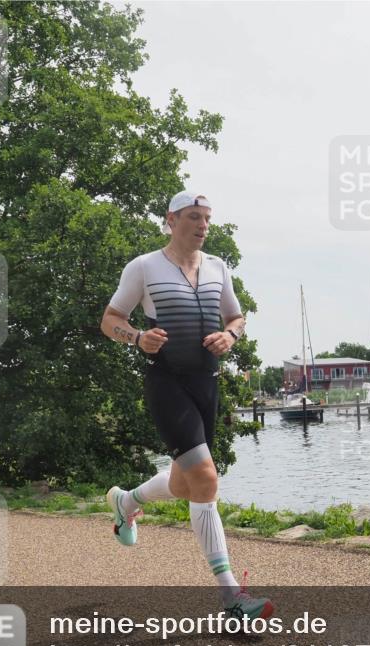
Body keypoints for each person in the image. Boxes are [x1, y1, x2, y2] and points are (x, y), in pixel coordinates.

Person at [100, 189, 273, 620]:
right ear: (171, 220)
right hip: (167, 383)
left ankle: (127, 502)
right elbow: (110, 320)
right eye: (195, 217)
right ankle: (231, 599)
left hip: (206, 384)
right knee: (206, 479)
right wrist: (138, 337)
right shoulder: (144, 267)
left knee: (185, 485)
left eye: (208, 218)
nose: (203, 225)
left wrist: (230, 336)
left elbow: (237, 318)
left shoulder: (218, 268)